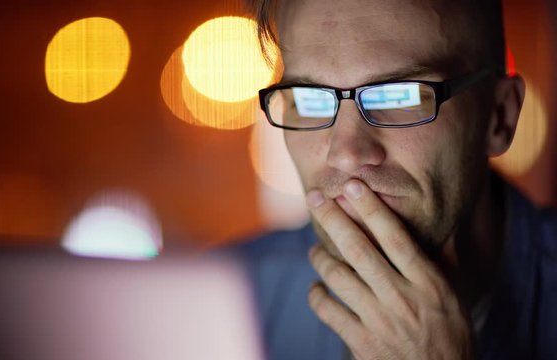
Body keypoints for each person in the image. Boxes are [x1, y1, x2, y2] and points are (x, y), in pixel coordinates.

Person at [230, 0, 557, 359]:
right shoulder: (225, 300)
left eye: (400, 95)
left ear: (499, 116)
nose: (346, 154)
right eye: (311, 100)